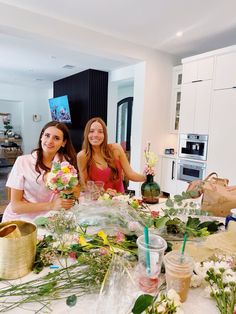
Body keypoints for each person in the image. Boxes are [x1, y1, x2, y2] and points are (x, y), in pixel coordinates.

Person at [2, 121, 79, 222]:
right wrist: (51, 205)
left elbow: (74, 191)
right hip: (21, 219)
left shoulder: (65, 165)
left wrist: (69, 194)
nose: (50, 141)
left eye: (56, 138)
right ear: (41, 137)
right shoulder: (23, 161)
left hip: (50, 217)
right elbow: (16, 206)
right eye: (47, 135)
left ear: (63, 143)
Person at [77, 117, 146, 193]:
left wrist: (146, 177)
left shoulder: (116, 149)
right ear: (86, 134)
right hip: (97, 202)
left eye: (100, 131)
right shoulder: (82, 156)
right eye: (91, 131)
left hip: (119, 200)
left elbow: (130, 174)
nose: (96, 135)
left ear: (105, 135)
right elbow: (85, 183)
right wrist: (103, 193)